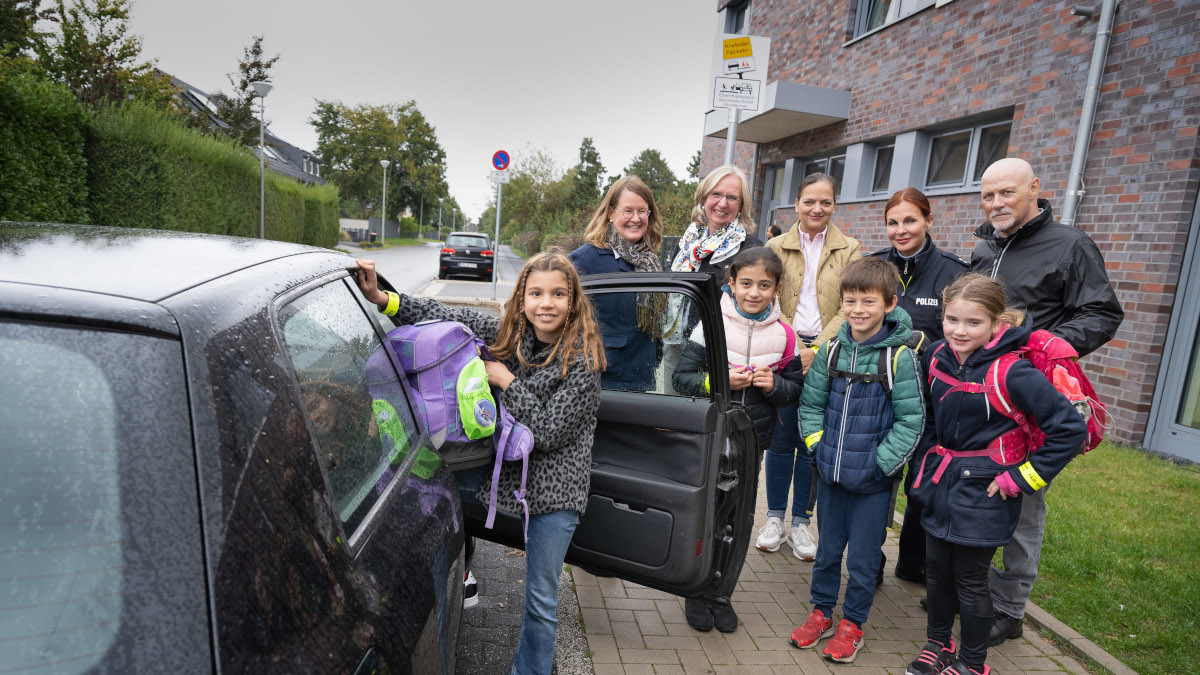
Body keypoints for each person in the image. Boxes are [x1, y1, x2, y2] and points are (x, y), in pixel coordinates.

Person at [354, 252, 606, 675]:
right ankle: (454, 581)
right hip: (505, 478)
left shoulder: (584, 363)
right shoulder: (509, 336)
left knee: (541, 601)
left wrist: (506, 381)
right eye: (537, 293)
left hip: (555, 495)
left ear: (573, 302)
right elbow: (444, 315)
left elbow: (545, 433)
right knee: (427, 494)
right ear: (522, 299)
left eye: (558, 294)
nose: (547, 303)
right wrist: (384, 298)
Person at [968, 158, 1123, 647]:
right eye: (988, 195)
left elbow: (1102, 311)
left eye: (1006, 193)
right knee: (977, 486)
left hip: (1031, 398)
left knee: (1023, 500)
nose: (996, 203)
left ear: (1034, 188)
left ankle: (1011, 609)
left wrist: (1056, 344)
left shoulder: (1070, 244)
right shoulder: (983, 248)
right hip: (977, 392)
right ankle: (975, 590)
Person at [904, 274, 1087, 675]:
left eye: (973, 323)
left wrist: (1020, 479)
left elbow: (1071, 430)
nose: (959, 331)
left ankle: (973, 664)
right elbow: (929, 417)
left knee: (971, 582)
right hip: (940, 484)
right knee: (935, 573)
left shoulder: (1013, 372)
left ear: (996, 325)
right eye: (952, 319)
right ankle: (938, 645)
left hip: (987, 492)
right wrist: (924, 464)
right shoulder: (935, 355)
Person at [788, 257, 924, 664]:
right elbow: (810, 406)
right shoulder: (830, 351)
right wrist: (817, 446)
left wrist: (880, 465)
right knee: (827, 553)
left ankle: (853, 625)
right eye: (850, 301)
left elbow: (912, 422)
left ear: (889, 303)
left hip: (872, 485)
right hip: (830, 477)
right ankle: (821, 613)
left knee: (864, 562)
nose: (858, 309)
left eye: (868, 301)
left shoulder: (899, 358)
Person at [671, 247, 806, 633]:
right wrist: (720, 383)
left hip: (751, 443)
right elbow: (682, 380)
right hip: (711, 439)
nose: (754, 292)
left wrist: (774, 384)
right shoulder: (711, 326)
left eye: (764, 285)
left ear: (777, 288)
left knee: (738, 520)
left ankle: (721, 593)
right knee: (708, 514)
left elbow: (794, 390)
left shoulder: (784, 335)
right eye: (745, 283)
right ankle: (696, 590)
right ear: (731, 283)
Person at [667, 163, 762, 633]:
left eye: (733, 197)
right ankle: (692, 583)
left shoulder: (749, 250)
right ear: (703, 197)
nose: (723, 203)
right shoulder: (684, 245)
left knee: (733, 494)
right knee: (695, 482)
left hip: (728, 373)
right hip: (683, 370)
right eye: (716, 195)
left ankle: (719, 590)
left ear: (742, 205)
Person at [759, 173, 862, 563]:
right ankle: (772, 519)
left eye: (825, 202)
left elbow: (850, 304)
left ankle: (801, 522)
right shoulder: (774, 246)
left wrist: (816, 348)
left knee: (810, 441)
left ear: (834, 205)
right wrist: (793, 344)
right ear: (797, 203)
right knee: (782, 441)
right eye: (809, 201)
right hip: (783, 348)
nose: (817, 209)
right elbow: (767, 298)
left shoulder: (850, 249)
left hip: (828, 354)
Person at [868, 188, 968, 585]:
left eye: (910, 220)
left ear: (929, 221)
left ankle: (912, 562)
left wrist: (930, 348)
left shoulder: (953, 272)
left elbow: (966, 331)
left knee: (923, 483)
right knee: (877, 480)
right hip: (877, 395)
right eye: (893, 222)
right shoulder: (873, 265)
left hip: (931, 400)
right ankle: (869, 563)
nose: (901, 230)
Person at [569, 175, 664, 392]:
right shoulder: (586, 259)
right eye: (628, 211)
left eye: (642, 211)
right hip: (604, 379)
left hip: (643, 374)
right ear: (611, 213)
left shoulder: (650, 260)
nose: (636, 218)